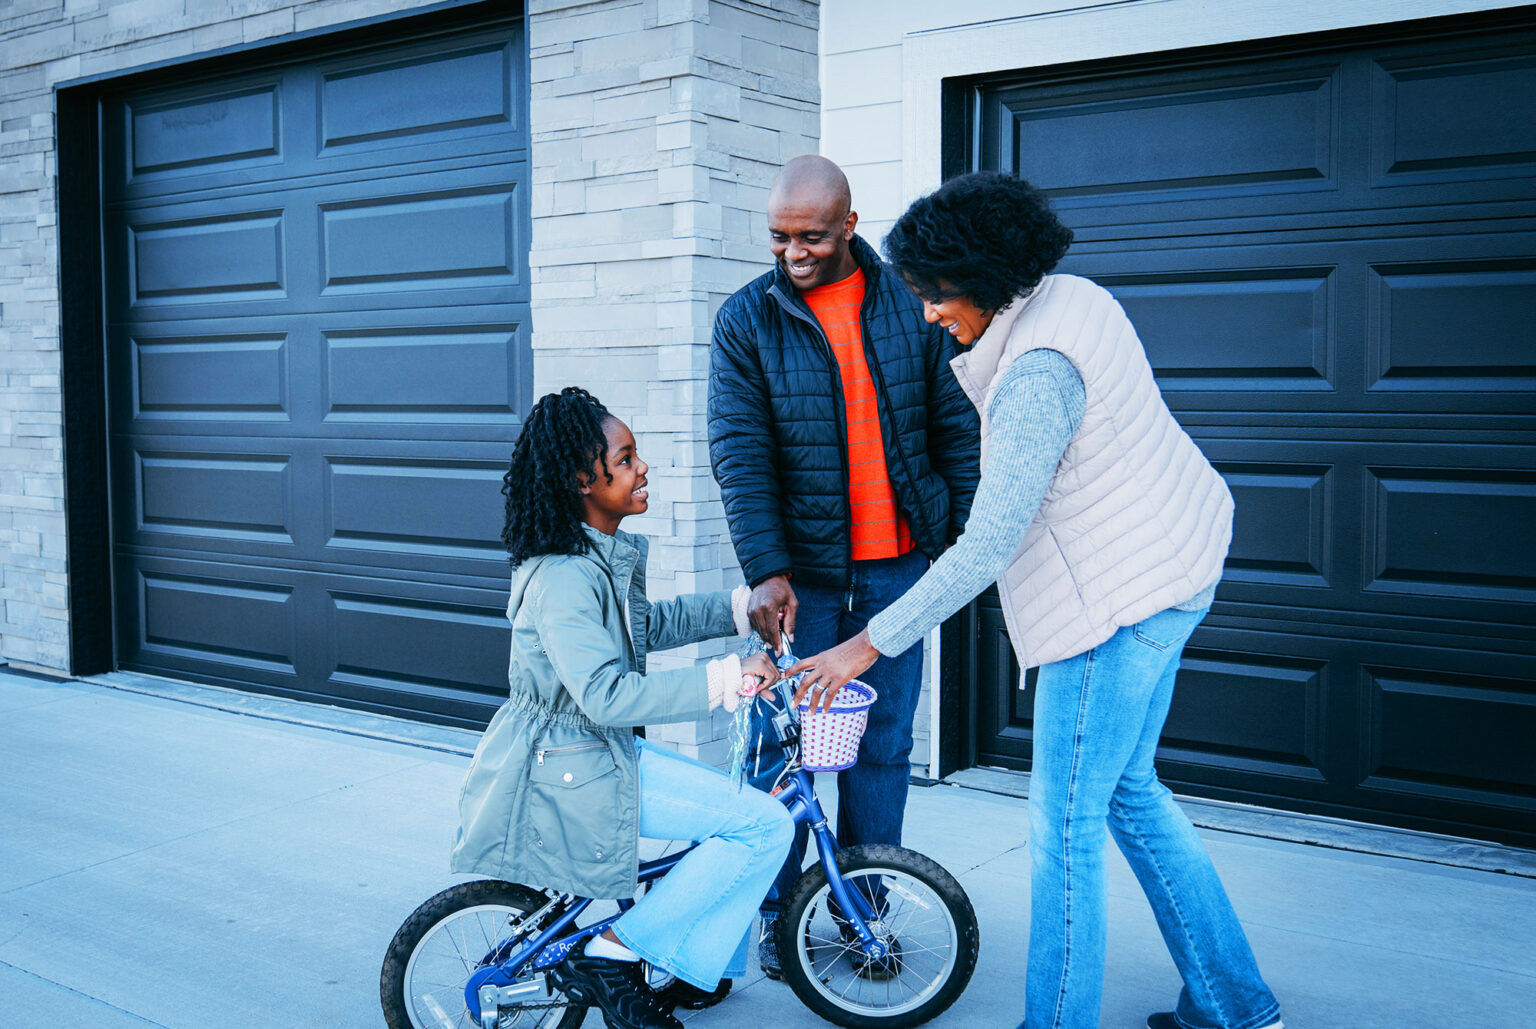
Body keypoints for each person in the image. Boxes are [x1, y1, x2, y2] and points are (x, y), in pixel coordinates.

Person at [787, 172, 1283, 1029]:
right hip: (1178, 565)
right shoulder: (1073, 298)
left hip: (1116, 606)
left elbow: (988, 542)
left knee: (1064, 830)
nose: (931, 313)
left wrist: (865, 643)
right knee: (1129, 790)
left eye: (937, 296)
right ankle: (1235, 1003)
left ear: (982, 279)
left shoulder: (1036, 373)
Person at [707, 154, 981, 976]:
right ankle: (776, 912)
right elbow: (740, 450)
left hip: (899, 569)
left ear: (851, 226)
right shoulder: (746, 319)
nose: (793, 253)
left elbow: (956, 425)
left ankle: (865, 914)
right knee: (780, 754)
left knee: (882, 746)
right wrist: (765, 567)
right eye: (780, 237)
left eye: (812, 237)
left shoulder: (906, 297)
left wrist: (957, 542)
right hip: (804, 583)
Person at [450, 387, 793, 1029]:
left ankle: (680, 966)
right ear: (584, 479)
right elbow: (607, 696)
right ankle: (618, 950)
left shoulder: (593, 560)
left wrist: (737, 603)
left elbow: (646, 626)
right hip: (572, 766)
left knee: (728, 813)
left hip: (590, 754)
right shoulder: (564, 577)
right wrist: (727, 677)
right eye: (627, 458)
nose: (642, 470)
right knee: (762, 826)